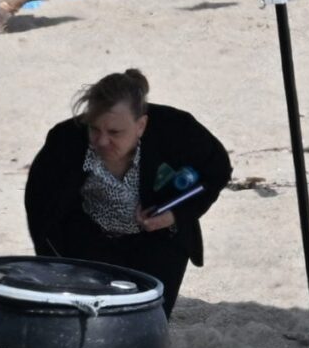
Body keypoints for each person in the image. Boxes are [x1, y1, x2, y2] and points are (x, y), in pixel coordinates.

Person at [24, 68, 232, 318]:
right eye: (94, 129)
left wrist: (175, 214)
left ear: (141, 125)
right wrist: (58, 265)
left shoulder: (177, 129)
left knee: (148, 319)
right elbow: (41, 208)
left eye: (114, 132)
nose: (102, 141)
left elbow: (217, 169)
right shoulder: (65, 141)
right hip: (88, 240)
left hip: (159, 242)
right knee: (91, 319)